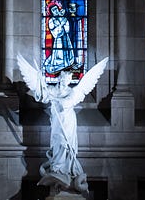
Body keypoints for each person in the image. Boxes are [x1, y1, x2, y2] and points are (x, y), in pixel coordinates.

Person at [17, 53, 108, 198]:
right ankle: (58, 170)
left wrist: (56, 100)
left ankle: (68, 172)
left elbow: (67, 103)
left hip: (68, 121)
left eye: (70, 80)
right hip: (57, 123)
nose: (68, 82)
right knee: (58, 142)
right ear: (61, 78)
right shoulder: (53, 90)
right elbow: (41, 96)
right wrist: (41, 88)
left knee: (67, 145)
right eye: (66, 79)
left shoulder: (72, 92)